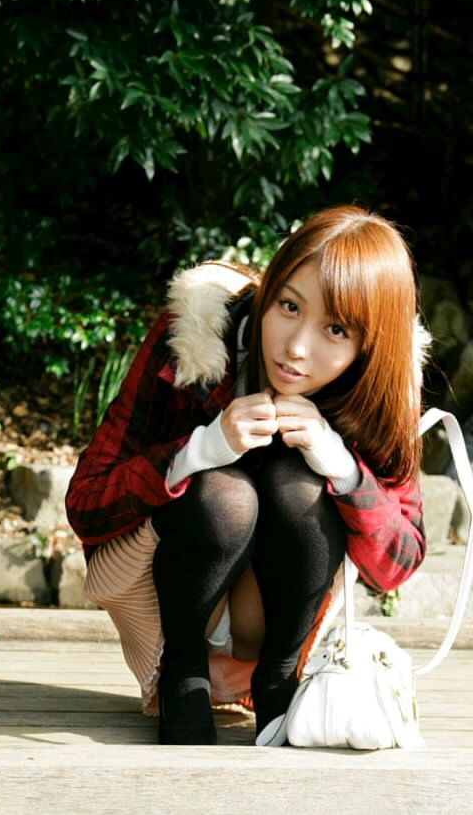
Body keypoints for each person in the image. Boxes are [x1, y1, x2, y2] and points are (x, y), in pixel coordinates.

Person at [66, 204, 431, 746]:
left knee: (299, 486)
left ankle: (278, 680)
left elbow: (397, 564)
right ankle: (184, 680)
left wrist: (342, 466)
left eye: (335, 329)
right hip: (172, 601)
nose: (296, 348)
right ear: (269, 290)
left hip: (279, 622)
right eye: (289, 306)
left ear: (370, 345)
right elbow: (86, 503)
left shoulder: (381, 388)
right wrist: (199, 450)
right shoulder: (195, 337)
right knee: (224, 493)